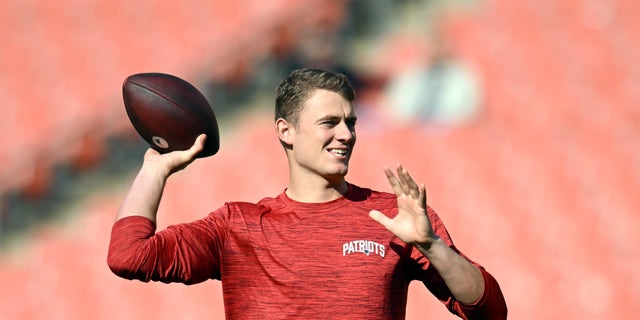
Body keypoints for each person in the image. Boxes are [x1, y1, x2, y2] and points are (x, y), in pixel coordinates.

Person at [107, 68, 507, 319]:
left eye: (351, 122)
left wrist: (432, 245)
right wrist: (154, 169)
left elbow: (491, 312)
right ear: (286, 131)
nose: (346, 135)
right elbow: (128, 257)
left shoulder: (396, 218)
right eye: (329, 122)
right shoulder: (237, 225)